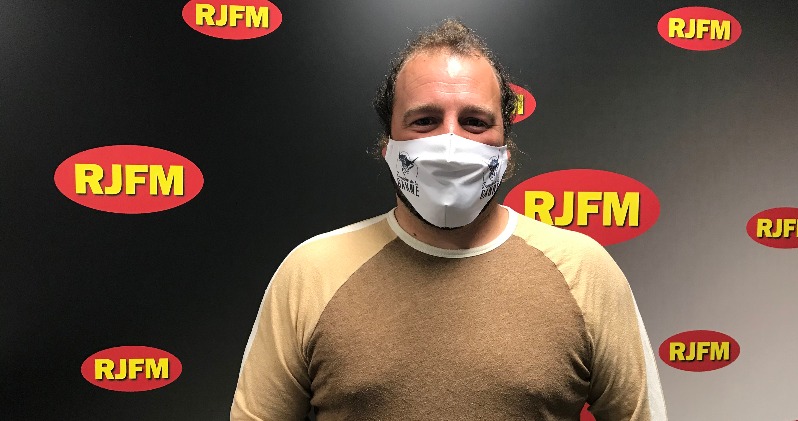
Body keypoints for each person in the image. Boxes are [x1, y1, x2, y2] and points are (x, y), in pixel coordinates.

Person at [231, 18, 667, 421]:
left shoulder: (584, 272)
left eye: (475, 122)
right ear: (388, 146)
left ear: (505, 151)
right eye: (425, 120)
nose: (451, 144)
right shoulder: (311, 273)